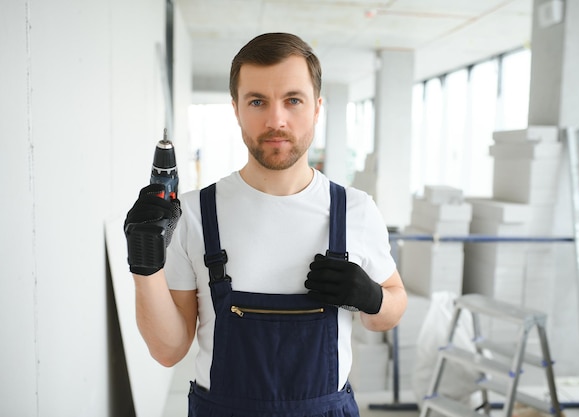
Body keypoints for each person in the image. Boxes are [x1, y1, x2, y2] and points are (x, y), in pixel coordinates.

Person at [124, 32, 407, 417]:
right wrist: (146, 267)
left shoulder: (354, 210)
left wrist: (372, 296)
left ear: (317, 108)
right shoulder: (192, 213)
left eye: (293, 100)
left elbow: (390, 309)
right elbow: (168, 350)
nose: (276, 120)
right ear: (237, 109)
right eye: (257, 101)